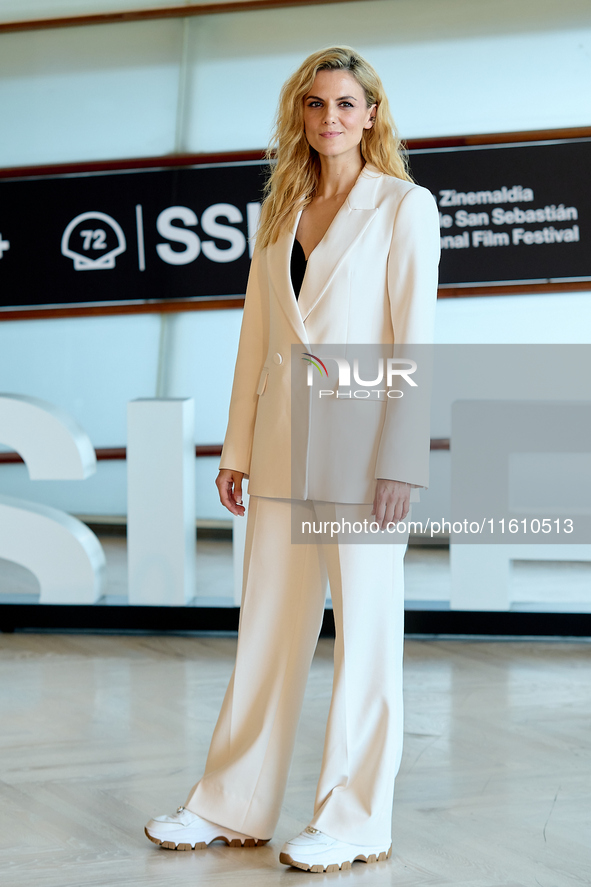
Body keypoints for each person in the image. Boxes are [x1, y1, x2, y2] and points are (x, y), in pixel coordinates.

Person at [145, 45, 440, 873]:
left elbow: (413, 341)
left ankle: (354, 821)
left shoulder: (402, 208)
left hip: (361, 453)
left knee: (366, 639)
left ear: (371, 114)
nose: (330, 119)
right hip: (278, 449)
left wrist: (402, 462)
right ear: (300, 116)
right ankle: (229, 804)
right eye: (315, 105)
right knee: (265, 632)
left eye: (345, 104)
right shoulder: (280, 211)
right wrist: (237, 446)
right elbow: (257, 343)